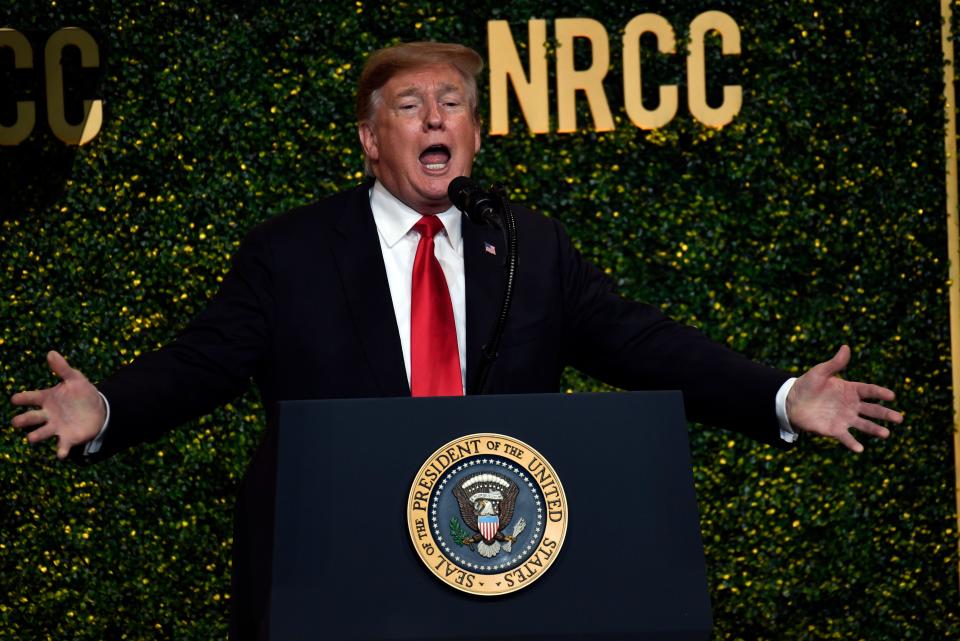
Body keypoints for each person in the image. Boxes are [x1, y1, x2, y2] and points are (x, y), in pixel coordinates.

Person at [10, 41, 902, 638]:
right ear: (369, 138)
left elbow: (641, 342)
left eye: (453, 104)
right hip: (340, 581)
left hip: (502, 578)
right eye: (410, 104)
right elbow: (205, 361)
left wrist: (780, 396)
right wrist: (108, 407)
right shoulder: (292, 251)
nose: (436, 118)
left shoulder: (527, 243)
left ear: (474, 133)